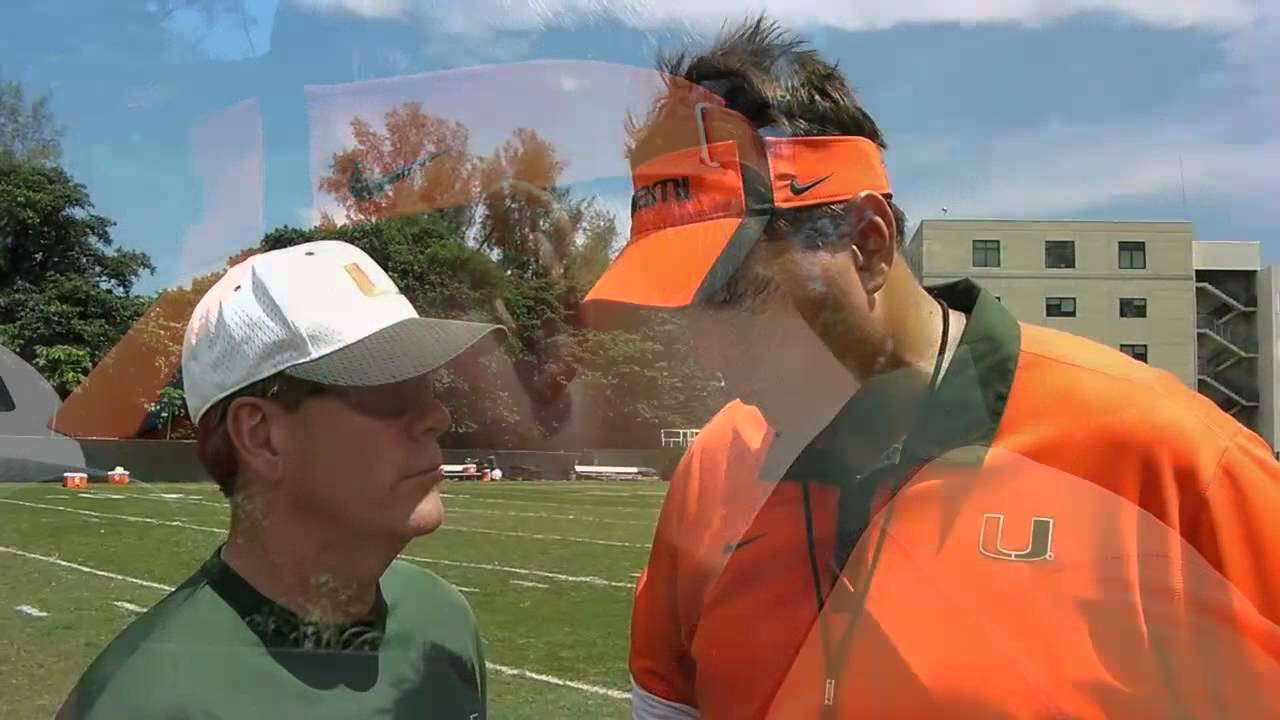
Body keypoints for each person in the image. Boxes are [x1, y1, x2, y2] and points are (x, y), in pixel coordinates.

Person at [581, 16, 1280, 720]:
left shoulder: (1169, 462)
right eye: (689, 310)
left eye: (741, 300)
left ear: (867, 242)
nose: (710, 357)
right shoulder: (713, 472)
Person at [57, 240, 505, 719]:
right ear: (261, 436)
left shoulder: (442, 621)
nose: (436, 416)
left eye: (427, 384)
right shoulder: (140, 703)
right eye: (390, 390)